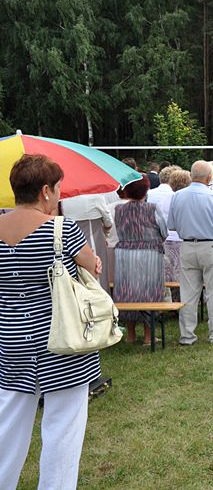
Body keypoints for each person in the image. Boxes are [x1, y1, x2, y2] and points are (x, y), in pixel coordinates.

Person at [0, 154, 102, 489]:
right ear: (46, 191)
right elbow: (92, 266)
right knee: (63, 429)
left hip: (10, 341)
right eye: (58, 189)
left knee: (7, 427)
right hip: (64, 339)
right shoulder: (62, 228)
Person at [168, 161, 213, 345]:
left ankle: (187, 335)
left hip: (188, 246)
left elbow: (172, 225)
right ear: (210, 177)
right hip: (211, 246)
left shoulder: (177, 196)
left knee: (188, 293)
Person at [113, 175, 168, 344]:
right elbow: (164, 231)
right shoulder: (152, 208)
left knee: (127, 292)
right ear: (146, 190)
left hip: (125, 254)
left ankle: (130, 334)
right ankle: (148, 335)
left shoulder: (118, 209)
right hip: (150, 253)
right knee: (149, 291)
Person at [60, 192, 113, 291]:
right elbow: (108, 221)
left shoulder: (64, 197)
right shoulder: (96, 196)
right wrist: (106, 233)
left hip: (70, 240)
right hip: (95, 236)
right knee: (98, 271)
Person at [146, 165, 180, 301]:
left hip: (154, 238)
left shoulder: (151, 193)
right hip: (174, 237)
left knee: (162, 272)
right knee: (177, 273)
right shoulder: (175, 195)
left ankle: (164, 300)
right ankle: (177, 302)